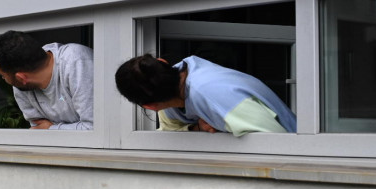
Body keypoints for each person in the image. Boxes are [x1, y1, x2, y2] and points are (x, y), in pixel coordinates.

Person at [114, 54, 297, 136]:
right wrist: (197, 129)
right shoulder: (167, 86)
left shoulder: (215, 94)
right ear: (162, 62)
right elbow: (170, 132)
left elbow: (277, 141)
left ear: (149, 107)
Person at [0, 30, 93, 130]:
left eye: (3, 75)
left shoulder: (76, 63)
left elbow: (95, 129)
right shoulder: (22, 88)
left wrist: (52, 128)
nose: (4, 79)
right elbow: (39, 129)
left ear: (21, 77)